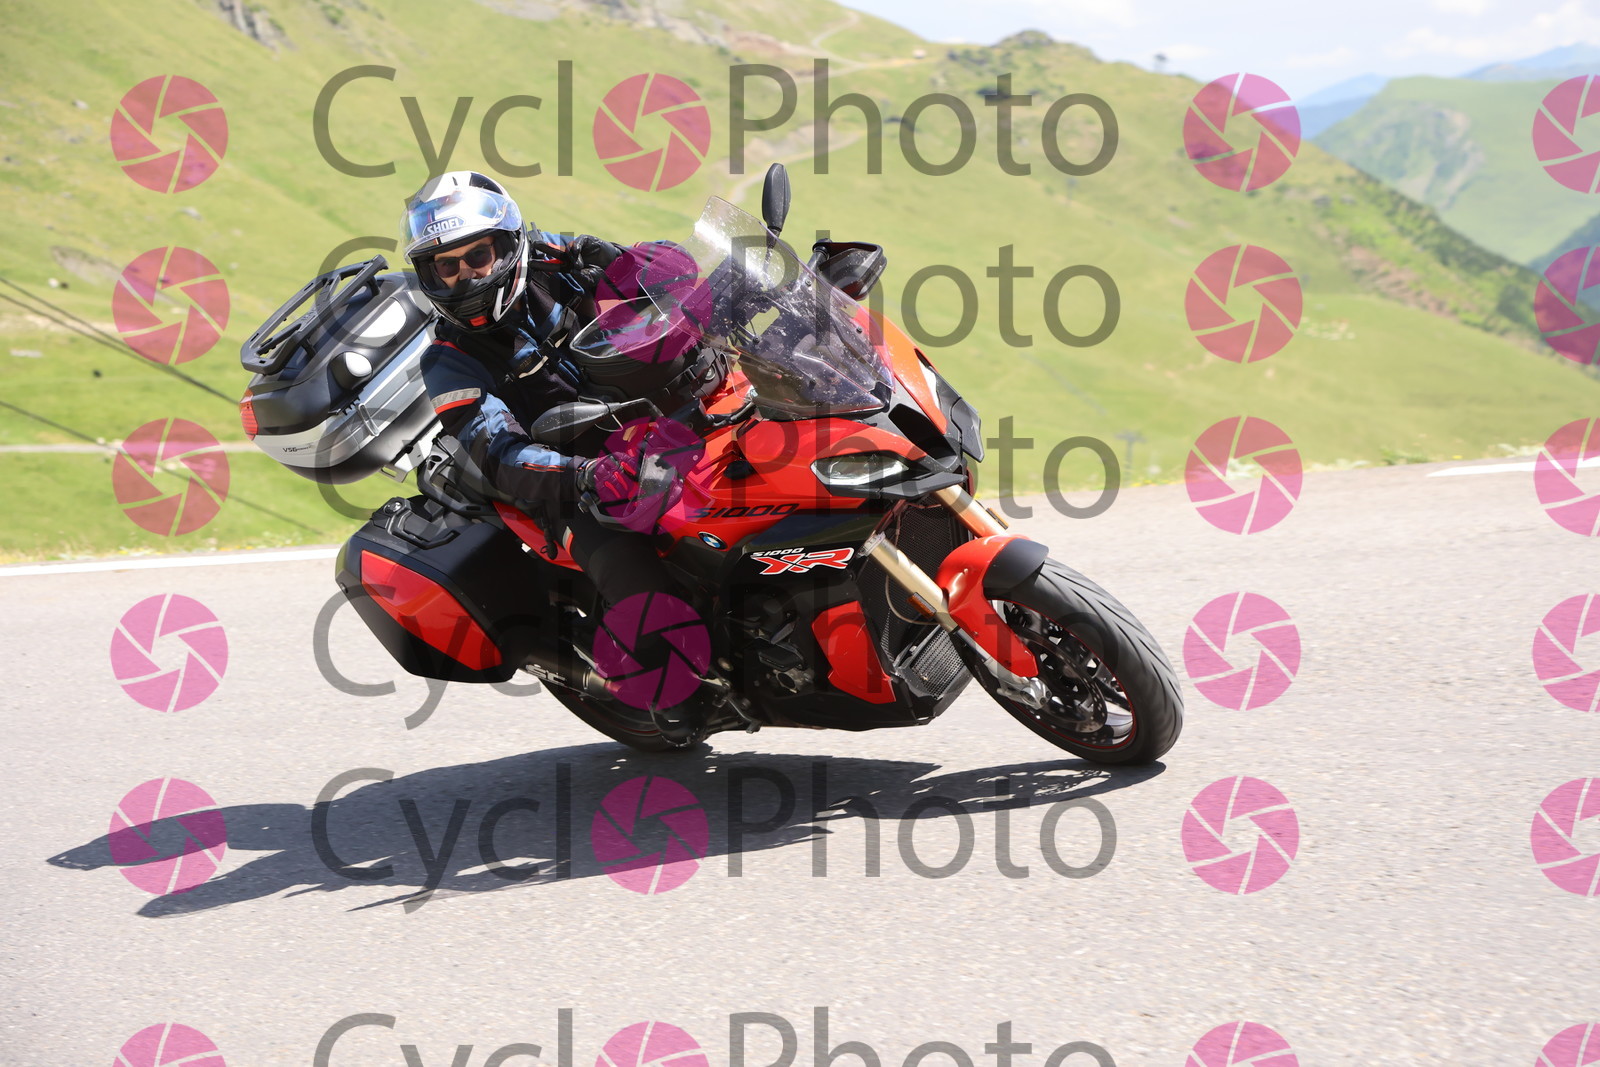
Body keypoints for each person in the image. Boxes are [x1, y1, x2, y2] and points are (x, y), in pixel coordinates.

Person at [401, 170, 703, 745]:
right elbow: (499, 450)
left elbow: (667, 278)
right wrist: (585, 476)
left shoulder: (556, 261)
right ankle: (667, 691)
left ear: (507, 246)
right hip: (564, 481)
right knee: (635, 575)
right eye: (447, 265)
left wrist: (629, 260)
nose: (467, 274)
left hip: (651, 422)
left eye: (478, 255)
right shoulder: (448, 358)